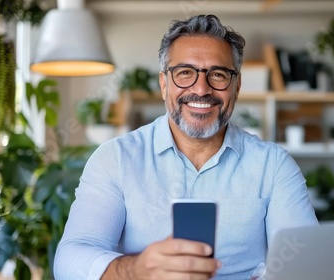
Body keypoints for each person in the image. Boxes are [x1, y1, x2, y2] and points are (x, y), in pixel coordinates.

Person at [54, 14, 317, 280]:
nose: (201, 89)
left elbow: (307, 263)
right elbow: (70, 258)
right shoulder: (116, 158)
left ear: (236, 87)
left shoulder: (273, 166)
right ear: (164, 84)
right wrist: (135, 270)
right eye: (185, 73)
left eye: (218, 74)